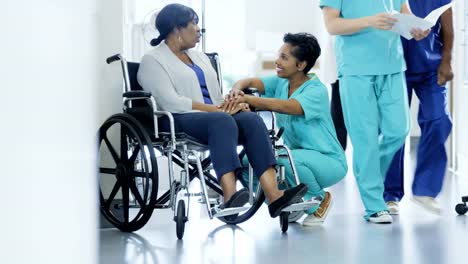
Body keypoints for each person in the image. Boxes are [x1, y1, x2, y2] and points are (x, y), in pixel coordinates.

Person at [136, 3, 308, 219]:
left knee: (251, 120)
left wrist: (235, 106)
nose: (199, 29)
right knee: (221, 120)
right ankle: (229, 196)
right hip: (177, 119)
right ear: (176, 28)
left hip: (214, 116)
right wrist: (218, 110)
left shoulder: (199, 57)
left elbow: (216, 95)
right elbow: (171, 102)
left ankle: (274, 195)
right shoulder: (153, 60)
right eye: (194, 24)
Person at [320, 0, 430, 223]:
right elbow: (332, 26)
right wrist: (370, 21)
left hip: (393, 65)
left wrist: (416, 29)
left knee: (399, 130)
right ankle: (374, 206)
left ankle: (369, 177)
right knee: (365, 138)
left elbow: (405, 16)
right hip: (355, 68)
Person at [224, 33, 347, 226]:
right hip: (296, 156)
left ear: (301, 65)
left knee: (284, 159)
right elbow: (250, 82)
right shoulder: (282, 82)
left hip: (329, 161)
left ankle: (318, 201)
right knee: (246, 162)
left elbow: (290, 106)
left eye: (284, 57)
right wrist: (237, 89)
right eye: (278, 55)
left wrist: (249, 100)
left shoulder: (316, 90)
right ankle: (286, 203)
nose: (277, 61)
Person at [384, 0, 453, 215]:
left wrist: (446, 61)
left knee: (439, 119)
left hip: (430, 68)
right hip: (394, 67)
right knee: (394, 129)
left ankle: (425, 190)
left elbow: (448, 28)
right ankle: (390, 194)